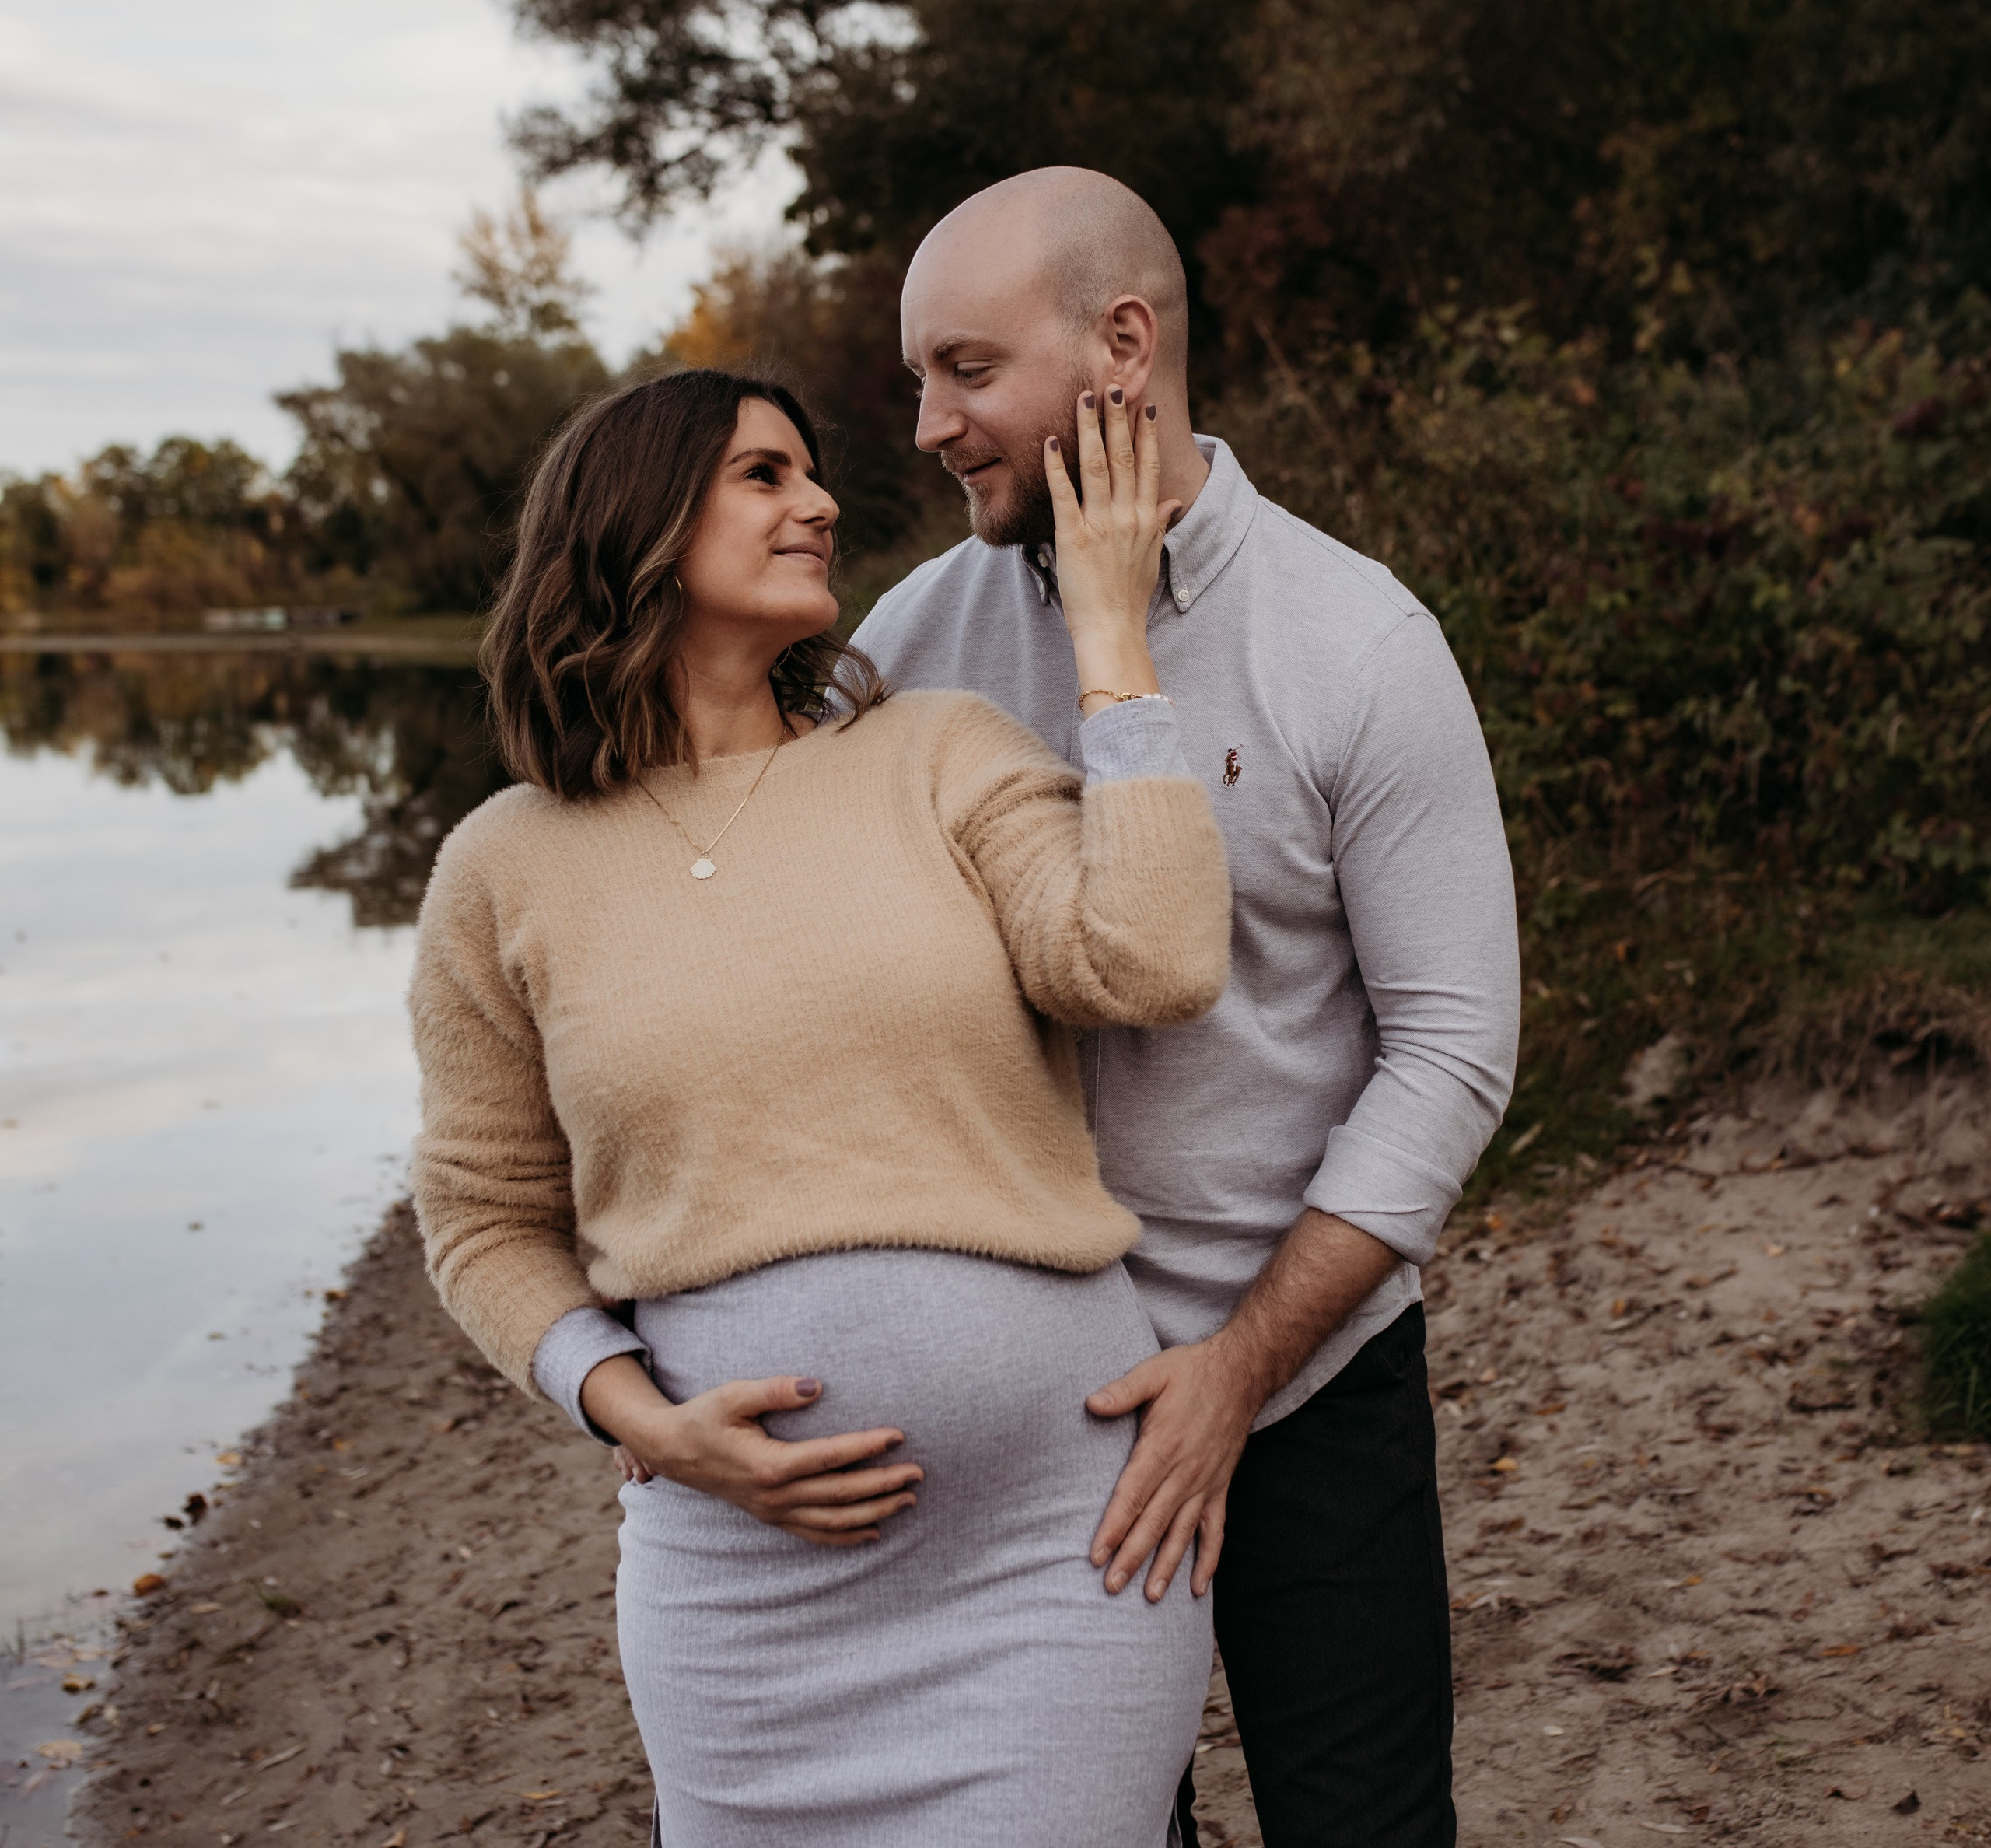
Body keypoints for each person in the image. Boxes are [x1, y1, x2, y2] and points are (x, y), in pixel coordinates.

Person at [405, 366, 1233, 1847]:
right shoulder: (503, 867)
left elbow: (1153, 961)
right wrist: (639, 1419)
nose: (822, 503)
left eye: (811, 472)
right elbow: (479, 1218)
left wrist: (1112, 638)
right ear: (640, 522)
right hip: (739, 1599)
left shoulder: (940, 752)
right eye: (765, 475)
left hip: (1051, 1556)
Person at [856, 167, 1523, 1848]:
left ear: (1122, 347)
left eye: (966, 369)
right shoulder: (903, 652)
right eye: (919, 378)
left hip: (1307, 1374)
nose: (928, 425)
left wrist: (1240, 1363)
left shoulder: (1359, 644)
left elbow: (1451, 1052)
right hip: (1023, 1403)